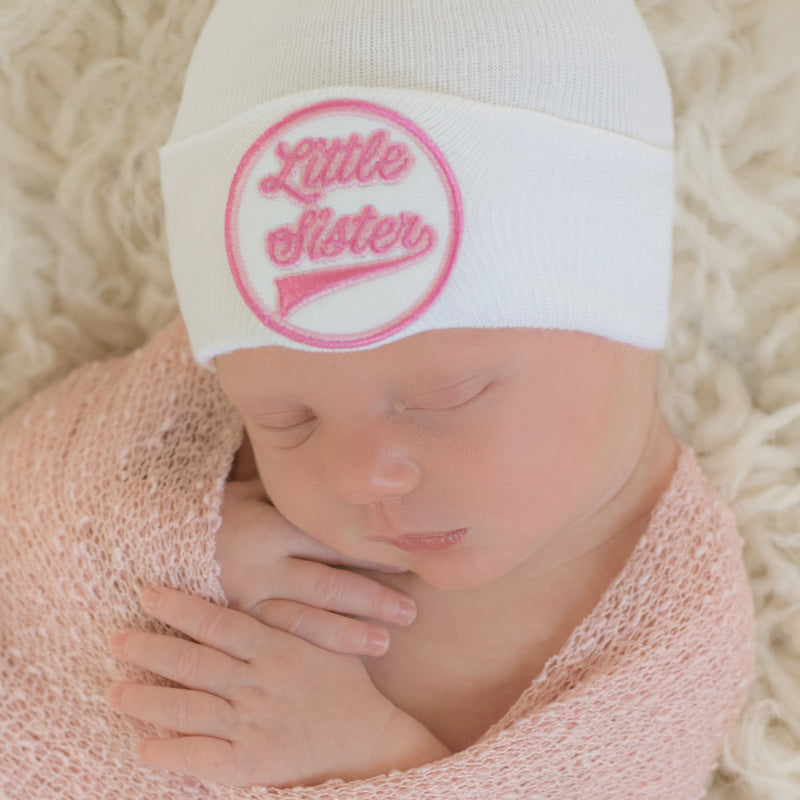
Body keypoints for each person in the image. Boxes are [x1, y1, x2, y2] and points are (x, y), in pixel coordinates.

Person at [0, 0, 756, 797]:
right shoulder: (232, 382)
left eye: (448, 398)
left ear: (624, 311)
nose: (359, 475)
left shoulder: (676, 632)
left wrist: (371, 755)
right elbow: (27, 506)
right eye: (288, 420)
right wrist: (162, 551)